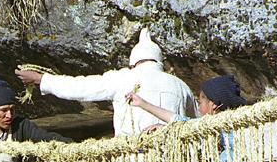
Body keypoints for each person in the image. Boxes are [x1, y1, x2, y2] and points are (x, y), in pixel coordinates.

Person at [15, 28, 196, 137]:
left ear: (134, 61)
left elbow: (81, 88)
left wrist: (42, 79)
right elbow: (195, 123)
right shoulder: (181, 86)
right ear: (159, 61)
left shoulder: (123, 78)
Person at [127, 74, 255, 162]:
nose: (199, 108)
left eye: (200, 102)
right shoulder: (232, 124)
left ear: (214, 105)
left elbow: (186, 126)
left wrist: (165, 129)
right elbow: (184, 124)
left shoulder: (221, 127)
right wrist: (143, 104)